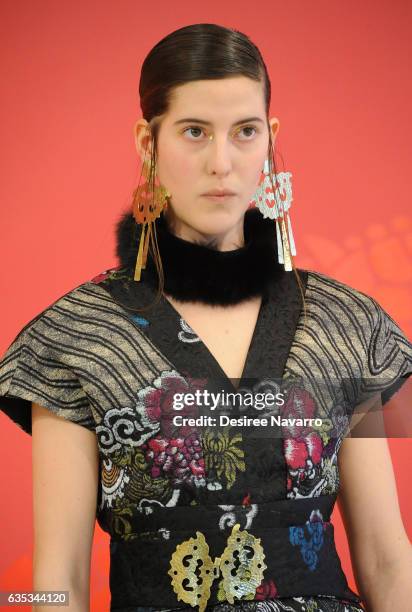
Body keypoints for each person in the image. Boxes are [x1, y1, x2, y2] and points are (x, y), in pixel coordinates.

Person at [1, 22, 411, 612]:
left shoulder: (345, 324)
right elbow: (56, 579)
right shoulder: (77, 337)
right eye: (194, 131)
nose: (222, 162)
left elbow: (387, 559)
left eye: (244, 132)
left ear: (270, 138)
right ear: (148, 142)